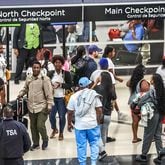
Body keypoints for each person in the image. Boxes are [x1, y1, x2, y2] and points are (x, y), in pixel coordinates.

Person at [18, 61, 54, 151]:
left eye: (38, 68)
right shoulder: (29, 78)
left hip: (42, 106)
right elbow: (25, 88)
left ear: (40, 69)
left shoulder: (44, 79)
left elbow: (49, 93)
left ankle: (45, 139)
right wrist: (21, 94)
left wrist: (49, 104)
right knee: (33, 126)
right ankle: (36, 143)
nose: (36, 69)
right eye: (34, 67)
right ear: (32, 68)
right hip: (31, 106)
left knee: (40, 125)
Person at [67, 77, 102, 165]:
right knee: (94, 144)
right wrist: (97, 121)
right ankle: (94, 162)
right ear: (89, 85)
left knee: (81, 146)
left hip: (79, 126)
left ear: (79, 86)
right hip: (92, 125)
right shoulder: (93, 94)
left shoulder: (74, 96)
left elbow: (70, 112)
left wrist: (69, 124)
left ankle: (82, 163)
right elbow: (99, 110)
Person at [135, 74, 165, 164]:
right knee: (157, 135)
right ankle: (161, 155)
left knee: (148, 134)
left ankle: (143, 155)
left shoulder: (151, 91)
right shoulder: (163, 90)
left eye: (151, 79)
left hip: (152, 115)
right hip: (161, 114)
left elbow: (141, 102)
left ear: (153, 81)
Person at [93, 72, 116, 161]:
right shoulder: (111, 89)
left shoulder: (97, 88)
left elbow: (89, 93)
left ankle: (101, 152)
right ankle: (101, 152)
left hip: (100, 114)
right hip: (108, 115)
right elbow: (114, 100)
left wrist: (95, 83)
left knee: (96, 135)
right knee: (103, 134)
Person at [49, 55, 72, 140]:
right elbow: (47, 84)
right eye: (56, 62)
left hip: (62, 98)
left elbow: (70, 85)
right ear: (54, 63)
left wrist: (61, 85)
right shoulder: (50, 73)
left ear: (62, 64)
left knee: (62, 116)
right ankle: (54, 129)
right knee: (51, 116)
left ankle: (61, 132)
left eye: (59, 62)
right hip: (53, 98)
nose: (57, 64)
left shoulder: (66, 74)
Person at [102, 45, 125, 123]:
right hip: (111, 82)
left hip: (108, 81)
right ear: (109, 53)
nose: (114, 53)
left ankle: (119, 113)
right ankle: (116, 113)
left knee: (113, 98)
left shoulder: (106, 60)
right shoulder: (108, 61)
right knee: (113, 98)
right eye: (113, 51)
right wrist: (118, 79)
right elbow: (111, 72)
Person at [126, 64, 146, 143]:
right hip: (141, 103)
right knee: (146, 120)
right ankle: (150, 137)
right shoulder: (142, 82)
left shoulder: (131, 81)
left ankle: (135, 138)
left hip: (133, 103)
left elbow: (127, 84)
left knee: (135, 121)